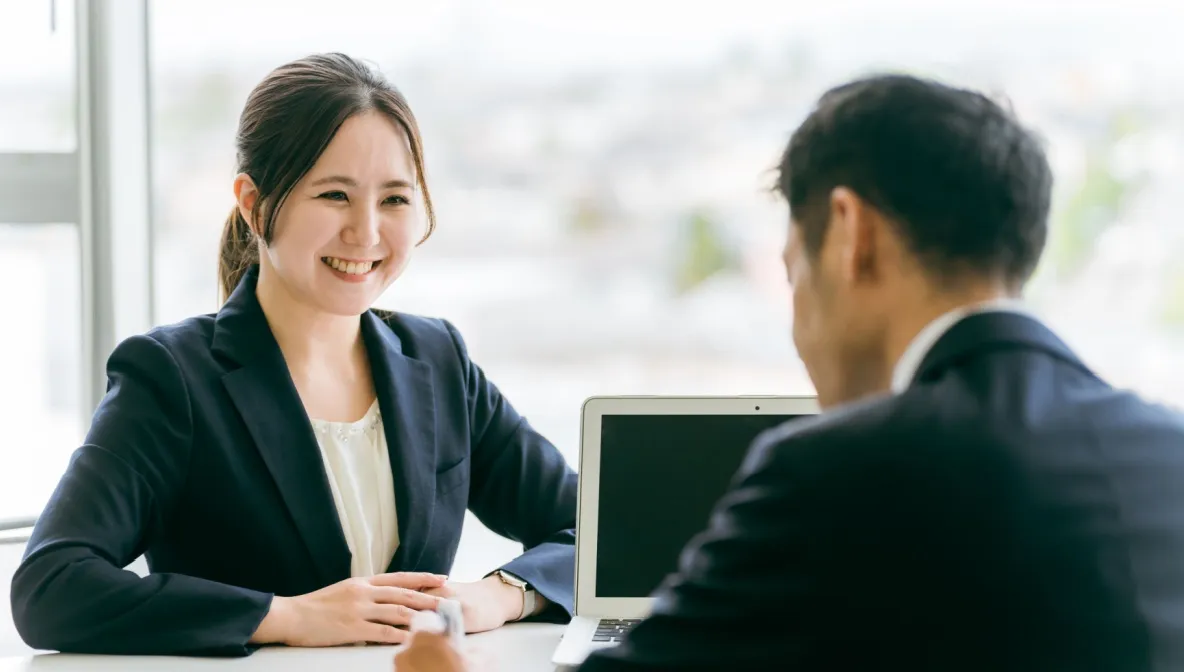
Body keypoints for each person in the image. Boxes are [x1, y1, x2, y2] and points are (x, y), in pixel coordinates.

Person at [396, 74, 1184, 672]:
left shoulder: (841, 470)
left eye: (791, 271)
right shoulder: (1168, 451)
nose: (798, 323)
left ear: (849, 234)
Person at [10, 53, 577, 657]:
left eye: (394, 200)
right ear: (255, 204)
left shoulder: (438, 361)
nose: (366, 232)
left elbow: (604, 534)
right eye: (334, 195)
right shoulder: (172, 377)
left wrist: (503, 593)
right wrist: (284, 616)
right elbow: (51, 587)